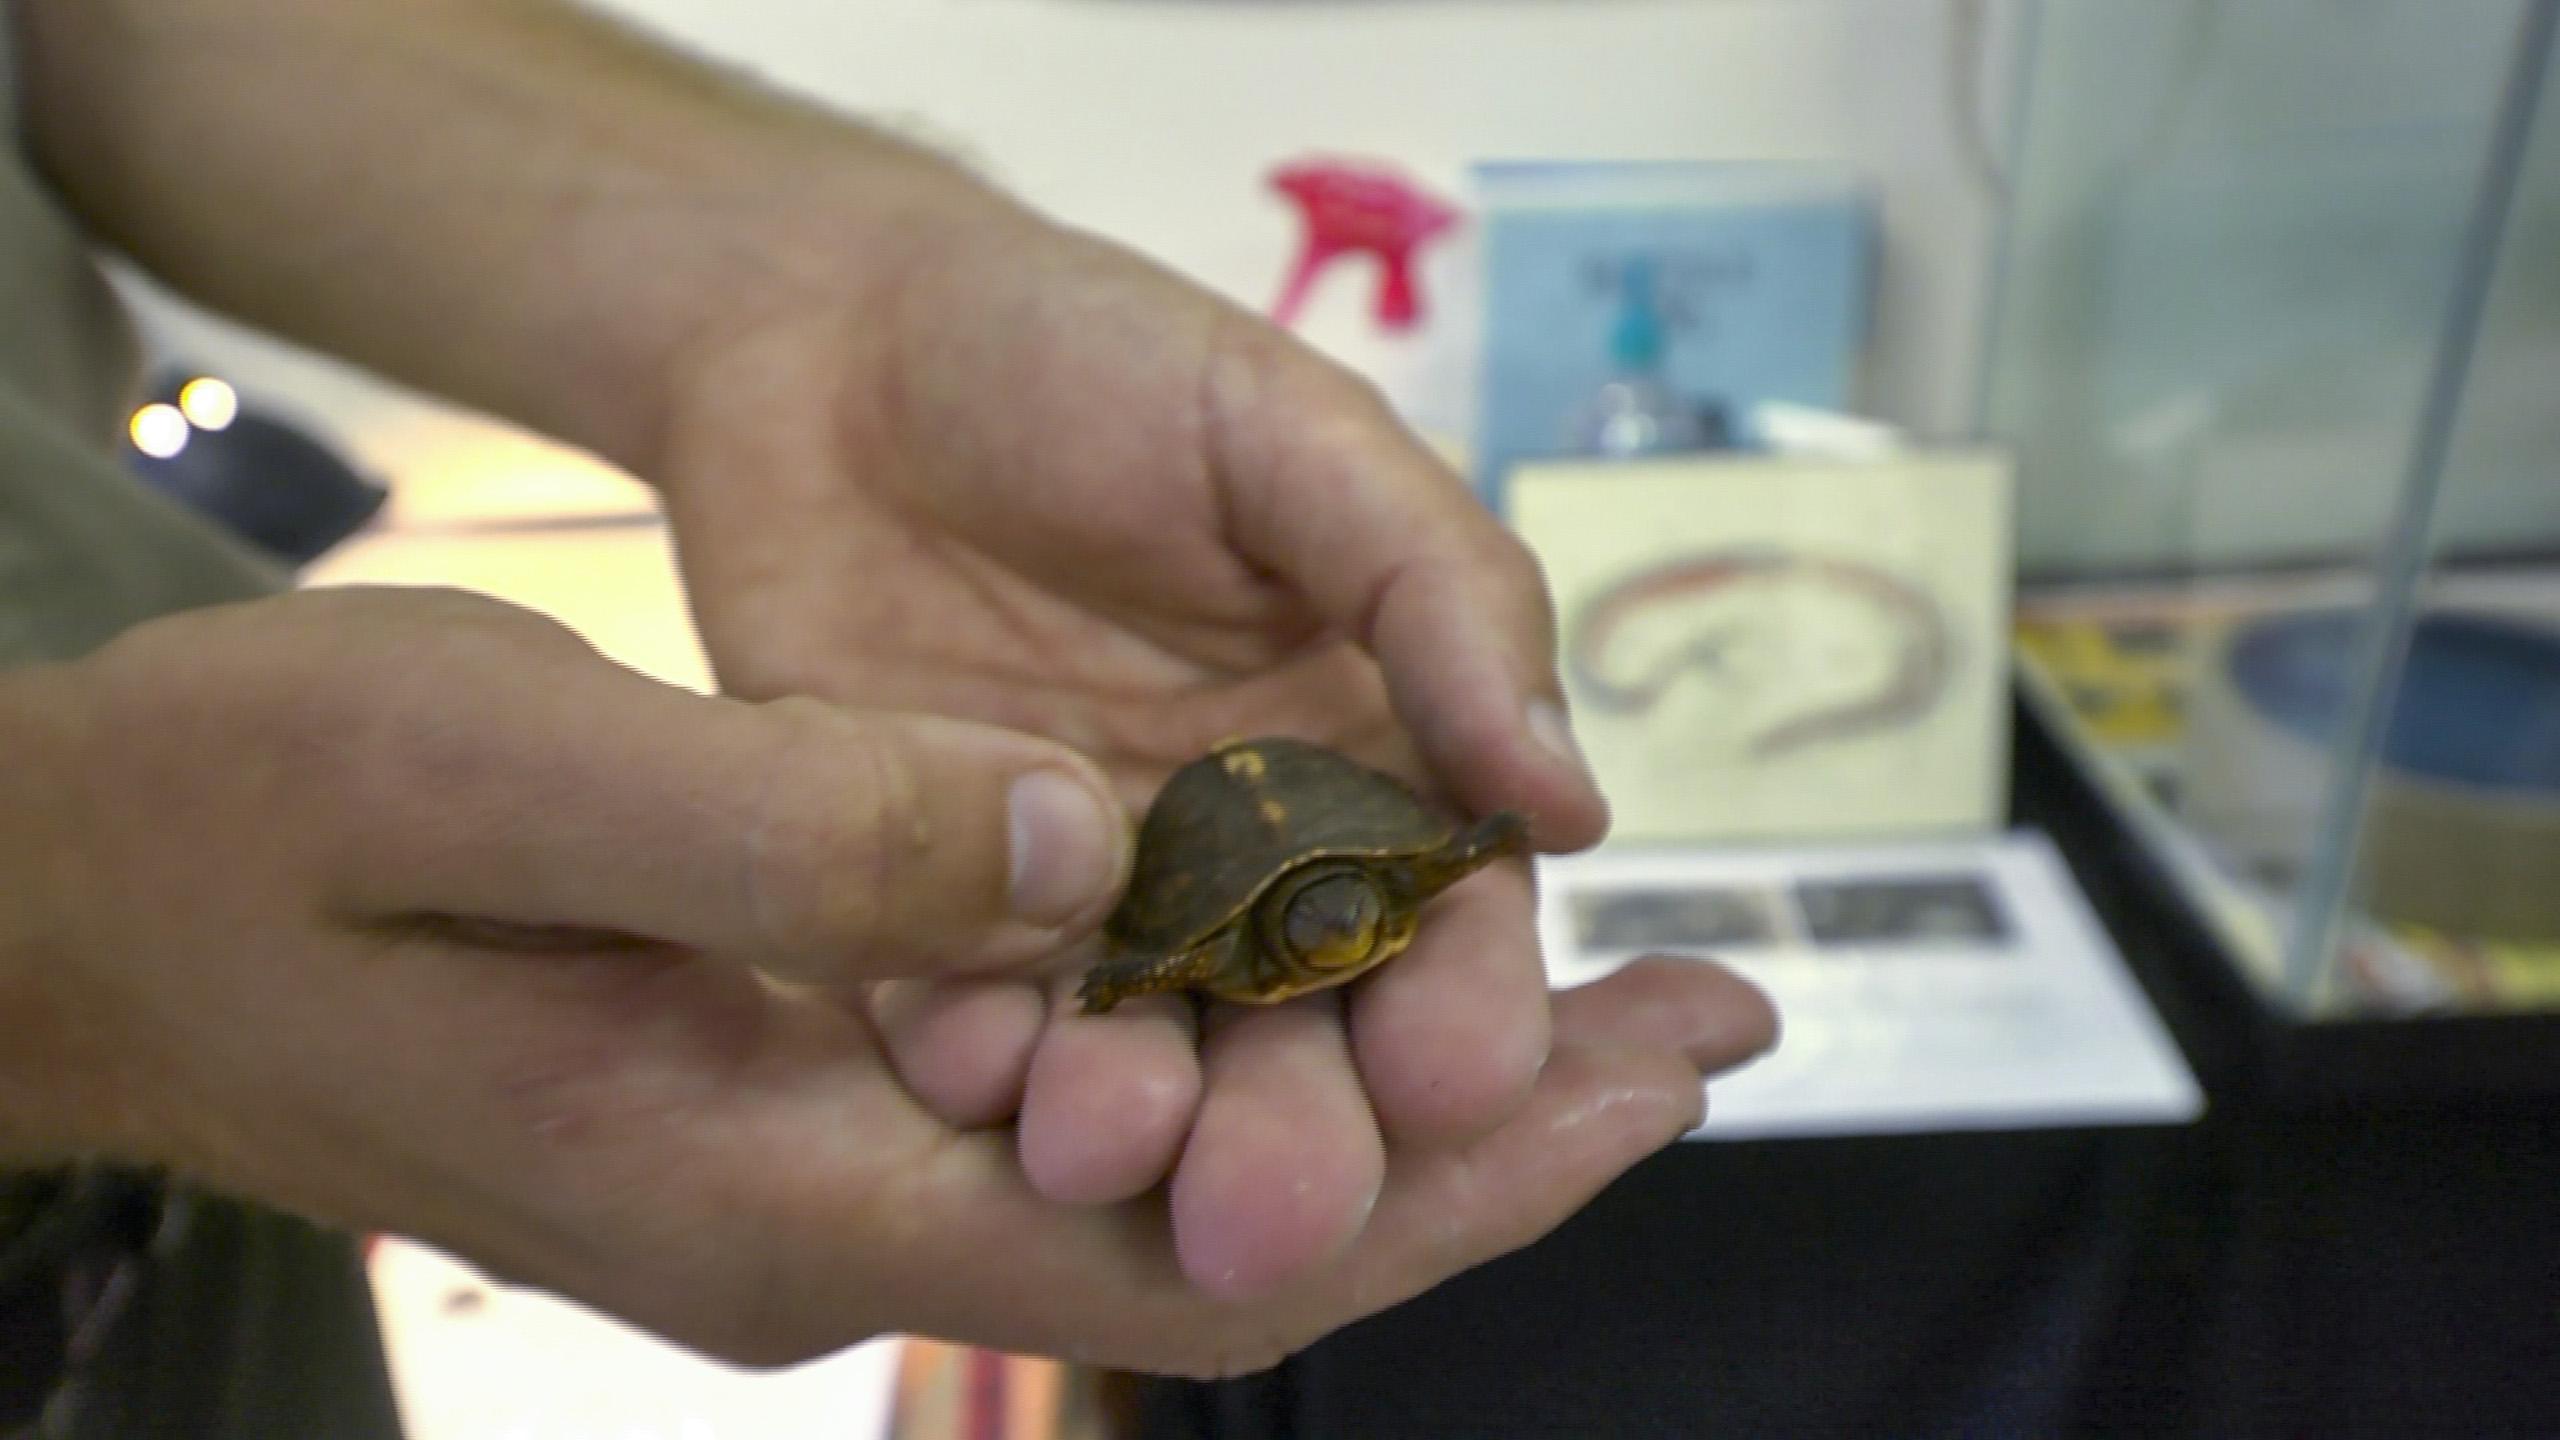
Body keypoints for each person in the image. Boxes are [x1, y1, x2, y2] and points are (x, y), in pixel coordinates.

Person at [0, 2, 1779, 1433]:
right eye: (1328, 923)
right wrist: (62, 931)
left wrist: (814, 301)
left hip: (189, 1274)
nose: (1349, 932)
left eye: (1353, 916)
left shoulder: (1371, 882)